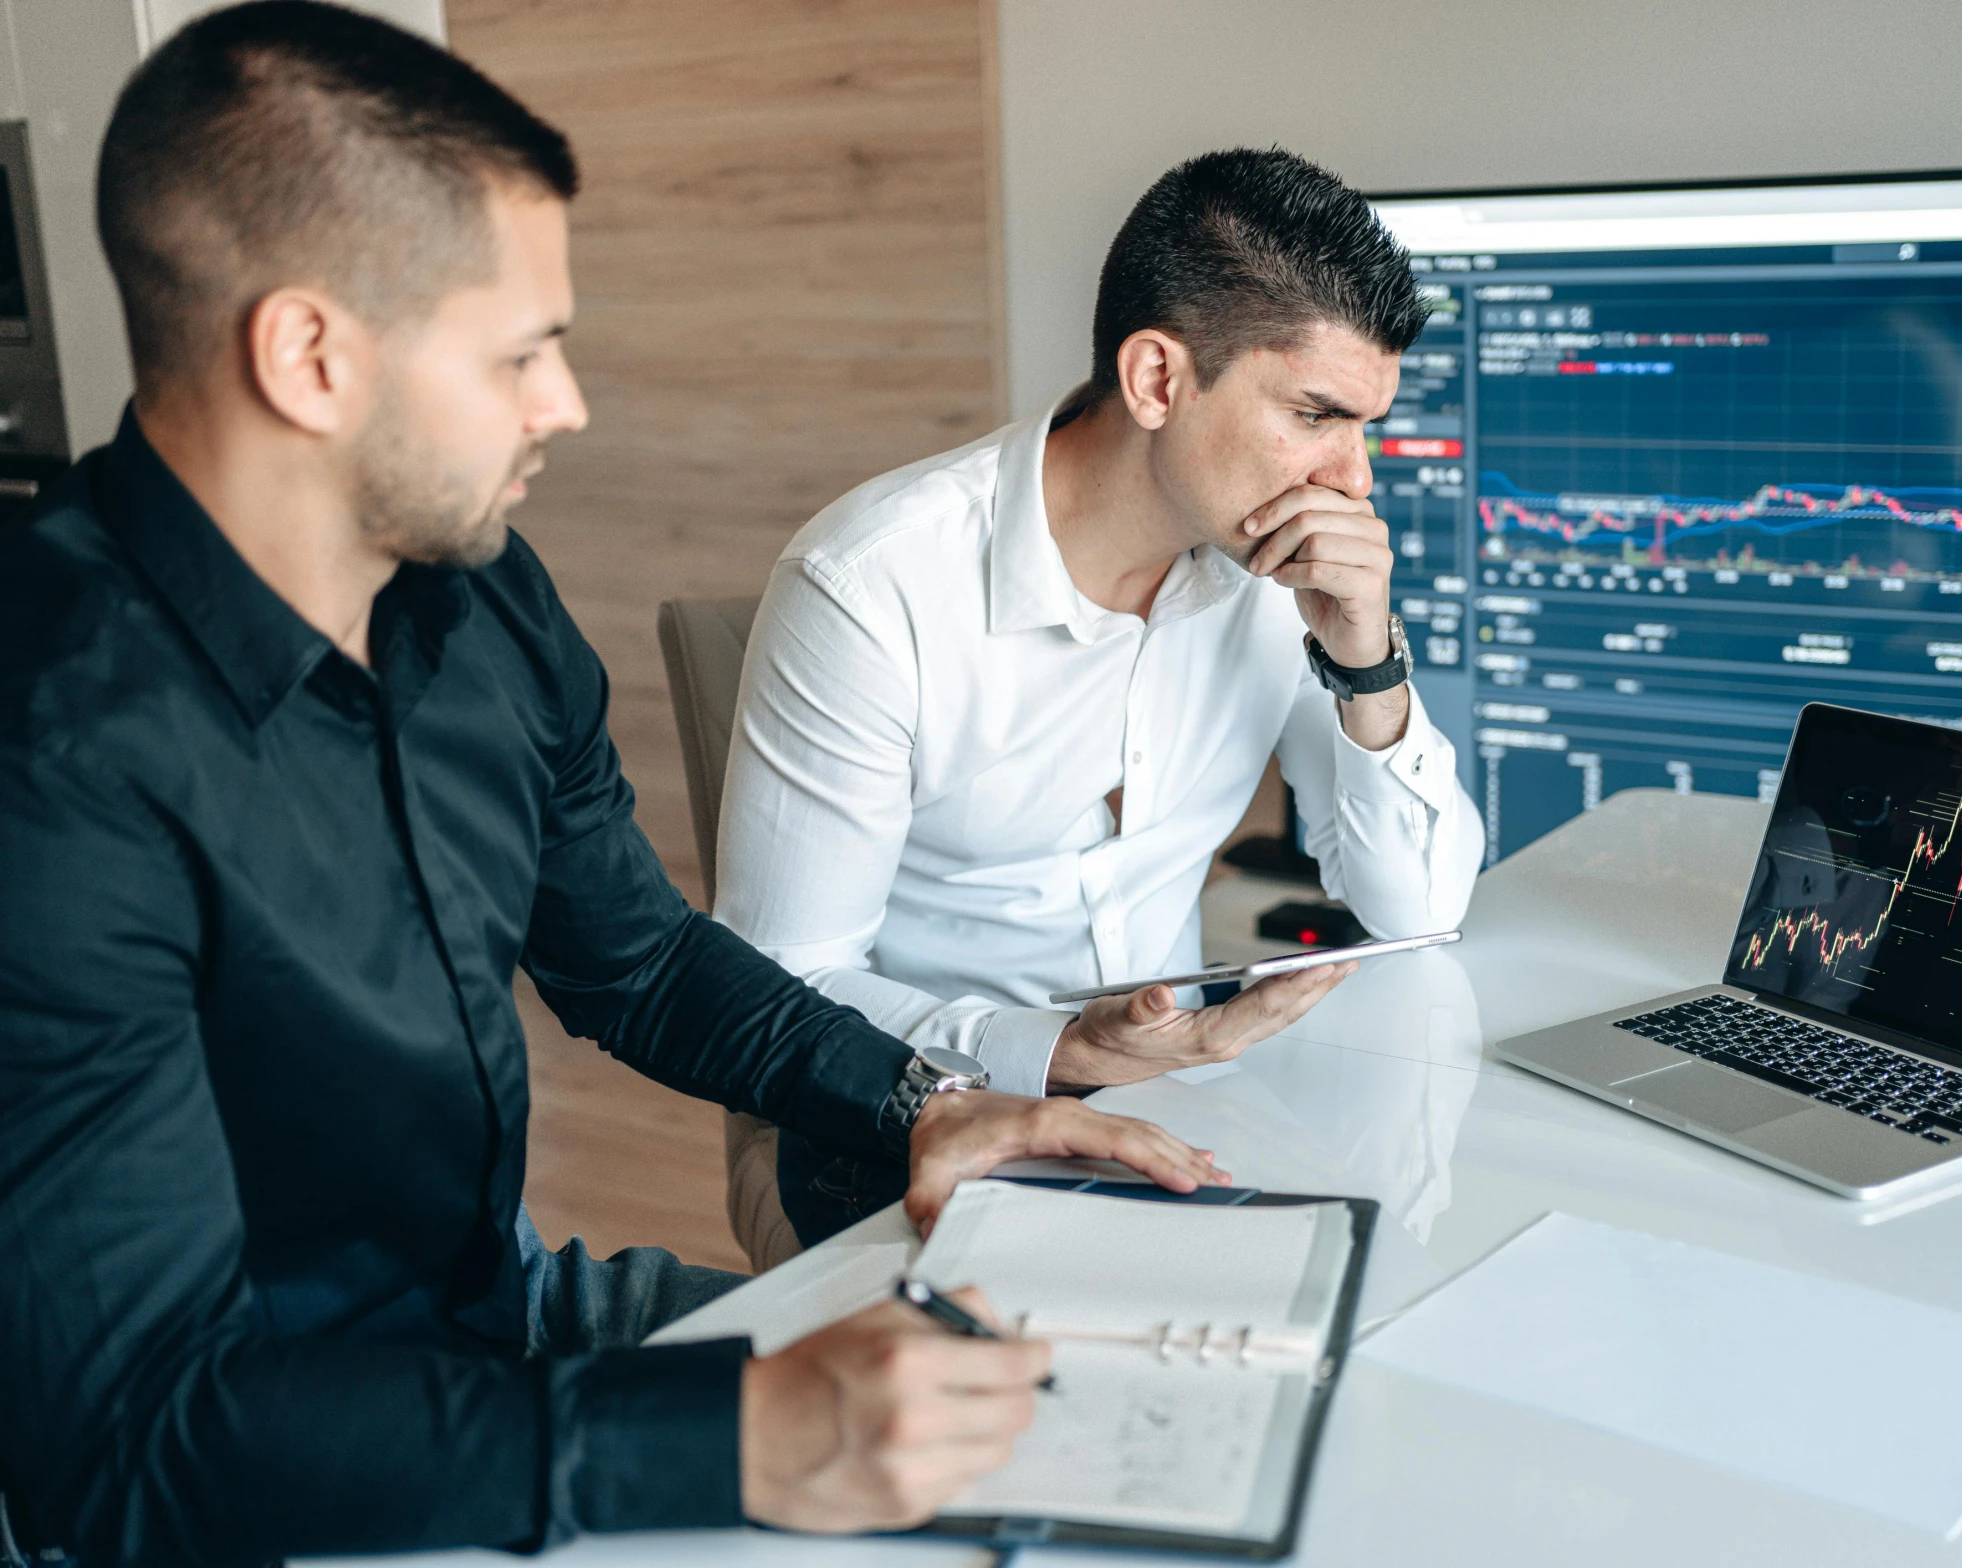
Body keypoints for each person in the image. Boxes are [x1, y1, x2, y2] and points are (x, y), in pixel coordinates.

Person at [0, 6, 1230, 1564]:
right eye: (521, 353)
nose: (563, 404)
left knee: (1064, 1450)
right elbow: (126, 1443)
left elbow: (636, 961)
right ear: (308, 355)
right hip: (232, 1461)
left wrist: (931, 1100)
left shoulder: (476, 599)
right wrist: (738, 1437)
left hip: (497, 1315)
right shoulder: (50, 761)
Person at [715, 148, 1484, 1247]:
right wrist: (1058, 1049)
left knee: (1393, 1279)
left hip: (1177, 1097)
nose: (1354, 477)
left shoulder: (1272, 569)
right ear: (1159, 380)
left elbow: (1419, 910)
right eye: (1318, 413)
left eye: (1365, 425)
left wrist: (1366, 657)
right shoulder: (872, 587)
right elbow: (773, 988)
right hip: (915, 1111)